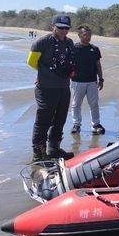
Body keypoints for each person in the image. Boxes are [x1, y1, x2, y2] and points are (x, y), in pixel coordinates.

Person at [27, 13, 76, 161]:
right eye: (60, 28)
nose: (63, 31)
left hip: (63, 87)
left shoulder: (69, 43)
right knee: (44, 120)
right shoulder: (42, 42)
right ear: (53, 26)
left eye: (66, 28)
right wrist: (44, 74)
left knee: (60, 119)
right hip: (46, 88)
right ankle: (39, 154)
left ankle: (54, 148)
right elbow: (31, 62)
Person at [70, 26, 105, 135]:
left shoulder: (94, 49)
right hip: (77, 81)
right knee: (76, 104)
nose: (88, 37)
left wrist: (101, 79)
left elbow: (98, 65)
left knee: (94, 104)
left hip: (92, 81)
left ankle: (96, 124)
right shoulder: (73, 48)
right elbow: (67, 63)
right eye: (85, 35)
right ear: (79, 35)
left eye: (89, 35)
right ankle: (76, 124)